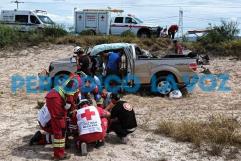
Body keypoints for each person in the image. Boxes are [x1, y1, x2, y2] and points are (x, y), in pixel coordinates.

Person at [30, 76, 81, 160]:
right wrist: (70, 108)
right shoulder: (75, 83)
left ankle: (59, 151)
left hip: (51, 103)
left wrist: (70, 108)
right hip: (53, 103)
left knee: (61, 128)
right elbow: (68, 102)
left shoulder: (72, 80)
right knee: (60, 128)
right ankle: (58, 155)